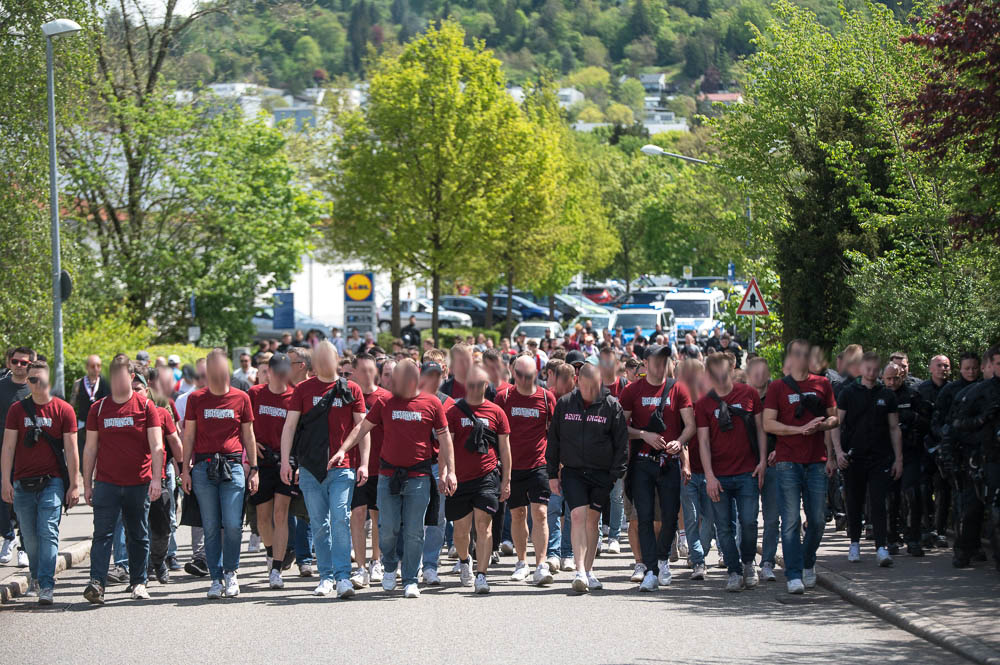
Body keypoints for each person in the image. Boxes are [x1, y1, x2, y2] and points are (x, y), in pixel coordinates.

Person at [339, 359, 456, 599]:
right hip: (388, 476)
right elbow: (361, 428)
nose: (394, 382)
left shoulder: (431, 403)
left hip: (419, 476)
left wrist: (450, 471)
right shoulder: (385, 402)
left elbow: (445, 439)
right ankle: (390, 566)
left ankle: (411, 578)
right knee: (388, 528)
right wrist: (343, 449)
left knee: (414, 531)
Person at [279, 341, 366, 598]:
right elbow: (289, 427)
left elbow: (362, 427)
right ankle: (326, 577)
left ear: (337, 359)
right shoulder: (303, 390)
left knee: (341, 519)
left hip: (342, 467)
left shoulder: (351, 389)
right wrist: (286, 461)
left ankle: (342, 578)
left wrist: (362, 462)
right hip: (309, 469)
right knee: (319, 523)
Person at [82, 355, 164, 604]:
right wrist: (86, 483)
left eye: (122, 374)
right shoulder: (98, 408)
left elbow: (157, 444)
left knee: (138, 534)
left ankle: (139, 582)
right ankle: (97, 583)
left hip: (138, 483)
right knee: (102, 534)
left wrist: (156, 480)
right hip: (106, 483)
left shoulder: (145, 406)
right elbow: (90, 448)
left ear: (130, 377)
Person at [763, 339, 839, 594]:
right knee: (792, 520)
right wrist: (798, 430)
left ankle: (808, 562)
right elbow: (768, 424)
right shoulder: (777, 387)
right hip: (787, 462)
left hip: (816, 461)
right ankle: (793, 574)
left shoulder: (823, 383)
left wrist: (821, 426)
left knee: (817, 520)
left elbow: (834, 417)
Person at [181, 349, 258, 599]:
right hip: (203, 468)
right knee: (211, 526)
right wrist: (185, 469)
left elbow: (248, 435)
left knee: (234, 525)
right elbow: (189, 435)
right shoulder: (196, 399)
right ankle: (215, 578)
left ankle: (231, 572)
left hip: (233, 466)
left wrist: (254, 469)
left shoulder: (241, 398)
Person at [1, 360, 79, 604]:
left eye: (40, 379)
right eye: (31, 379)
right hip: (23, 482)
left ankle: (46, 584)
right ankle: (35, 577)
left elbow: (72, 448)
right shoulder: (17, 410)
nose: (36, 384)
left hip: (52, 482)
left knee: (48, 532)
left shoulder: (64, 410)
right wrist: (5, 481)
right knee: (29, 537)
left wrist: (75, 484)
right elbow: (9, 447)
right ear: (27, 381)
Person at [546, 364, 628, 593]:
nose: (590, 389)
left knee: (593, 520)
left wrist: (615, 476)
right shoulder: (564, 404)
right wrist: (552, 473)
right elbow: (554, 440)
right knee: (577, 515)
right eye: (585, 385)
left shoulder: (611, 405)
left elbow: (621, 444)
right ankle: (579, 571)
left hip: (602, 474)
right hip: (573, 472)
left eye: (595, 385)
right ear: (577, 381)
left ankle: (589, 570)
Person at [620, 344, 694, 591]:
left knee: (671, 516)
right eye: (656, 359)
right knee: (644, 517)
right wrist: (644, 434)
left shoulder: (678, 388)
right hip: (641, 463)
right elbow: (620, 427)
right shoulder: (632, 391)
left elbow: (690, 426)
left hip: (669, 463)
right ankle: (650, 569)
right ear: (645, 362)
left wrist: (679, 442)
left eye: (665, 359)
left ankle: (663, 560)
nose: (661, 364)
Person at [697, 353, 767, 591]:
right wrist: (709, 476)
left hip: (748, 471)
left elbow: (760, 430)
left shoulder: (748, 394)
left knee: (748, 522)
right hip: (719, 475)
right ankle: (734, 571)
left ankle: (748, 562)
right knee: (724, 526)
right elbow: (703, 442)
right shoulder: (705, 402)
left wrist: (763, 462)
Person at [444, 366, 511, 593]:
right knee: (461, 530)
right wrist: (446, 473)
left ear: (486, 386)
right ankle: (465, 561)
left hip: (487, 476)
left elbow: (504, 447)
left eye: (478, 384)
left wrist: (507, 480)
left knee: (484, 526)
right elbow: (447, 447)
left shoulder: (496, 412)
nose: (474, 388)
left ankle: (482, 576)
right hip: (460, 478)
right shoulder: (453, 412)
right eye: (470, 384)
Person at [835, 352, 903, 567]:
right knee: (854, 502)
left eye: (876, 370)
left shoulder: (887, 395)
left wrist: (898, 459)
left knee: (878, 502)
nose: (872, 373)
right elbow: (836, 424)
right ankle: (854, 543)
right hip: (854, 457)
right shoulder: (848, 393)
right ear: (861, 369)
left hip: (880, 457)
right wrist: (837, 452)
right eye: (868, 369)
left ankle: (881, 547)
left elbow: (894, 428)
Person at [496, 355, 556, 585]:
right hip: (512, 466)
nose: (523, 379)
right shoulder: (504, 397)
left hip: (538, 464)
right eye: (519, 374)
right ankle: (522, 562)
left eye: (528, 375)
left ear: (536, 374)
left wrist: (556, 463)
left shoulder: (545, 397)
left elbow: (555, 431)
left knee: (540, 513)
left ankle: (541, 564)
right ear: (513, 373)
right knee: (517, 514)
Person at [947, 344, 1000, 571]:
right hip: (981, 458)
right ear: (990, 365)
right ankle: (963, 550)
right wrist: (981, 421)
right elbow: (956, 425)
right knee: (973, 509)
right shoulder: (977, 392)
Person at [248, 353, 295, 590]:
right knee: (263, 519)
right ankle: (270, 551)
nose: (279, 374)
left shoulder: (294, 396)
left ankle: (276, 568)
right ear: (268, 371)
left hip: (284, 463)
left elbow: (300, 431)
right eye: (275, 369)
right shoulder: (255, 394)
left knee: (280, 515)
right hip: (261, 463)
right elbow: (243, 424)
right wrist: (251, 443)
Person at [348, 353, 391, 589]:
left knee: (377, 516)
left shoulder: (385, 397)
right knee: (357, 514)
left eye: (370, 370)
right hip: (355, 466)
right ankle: (361, 567)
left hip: (382, 466)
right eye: (362, 370)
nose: (367, 374)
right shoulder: (349, 397)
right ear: (353, 372)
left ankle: (377, 561)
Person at [882, 361, 925, 557]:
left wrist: (913, 418)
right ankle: (891, 538)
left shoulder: (913, 395)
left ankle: (913, 538)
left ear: (903, 377)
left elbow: (929, 420)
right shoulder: (879, 396)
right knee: (890, 498)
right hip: (886, 453)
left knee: (912, 494)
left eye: (896, 378)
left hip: (910, 452)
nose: (892, 382)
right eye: (888, 378)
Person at [0, 346, 34, 567]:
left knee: (23, 499)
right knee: (2, 497)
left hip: (27, 454)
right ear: (9, 362)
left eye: (24, 363)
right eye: (16, 361)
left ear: (31, 365)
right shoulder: (1, 387)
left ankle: (24, 546)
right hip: (2, 451)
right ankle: (8, 537)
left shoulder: (35, 388)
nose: (19, 366)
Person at [917, 353, 951, 549]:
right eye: (939, 365)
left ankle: (940, 531)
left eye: (946, 365)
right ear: (930, 368)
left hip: (945, 446)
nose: (942, 369)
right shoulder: (920, 391)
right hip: (924, 446)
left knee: (944, 489)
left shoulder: (953, 389)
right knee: (923, 489)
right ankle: (926, 528)